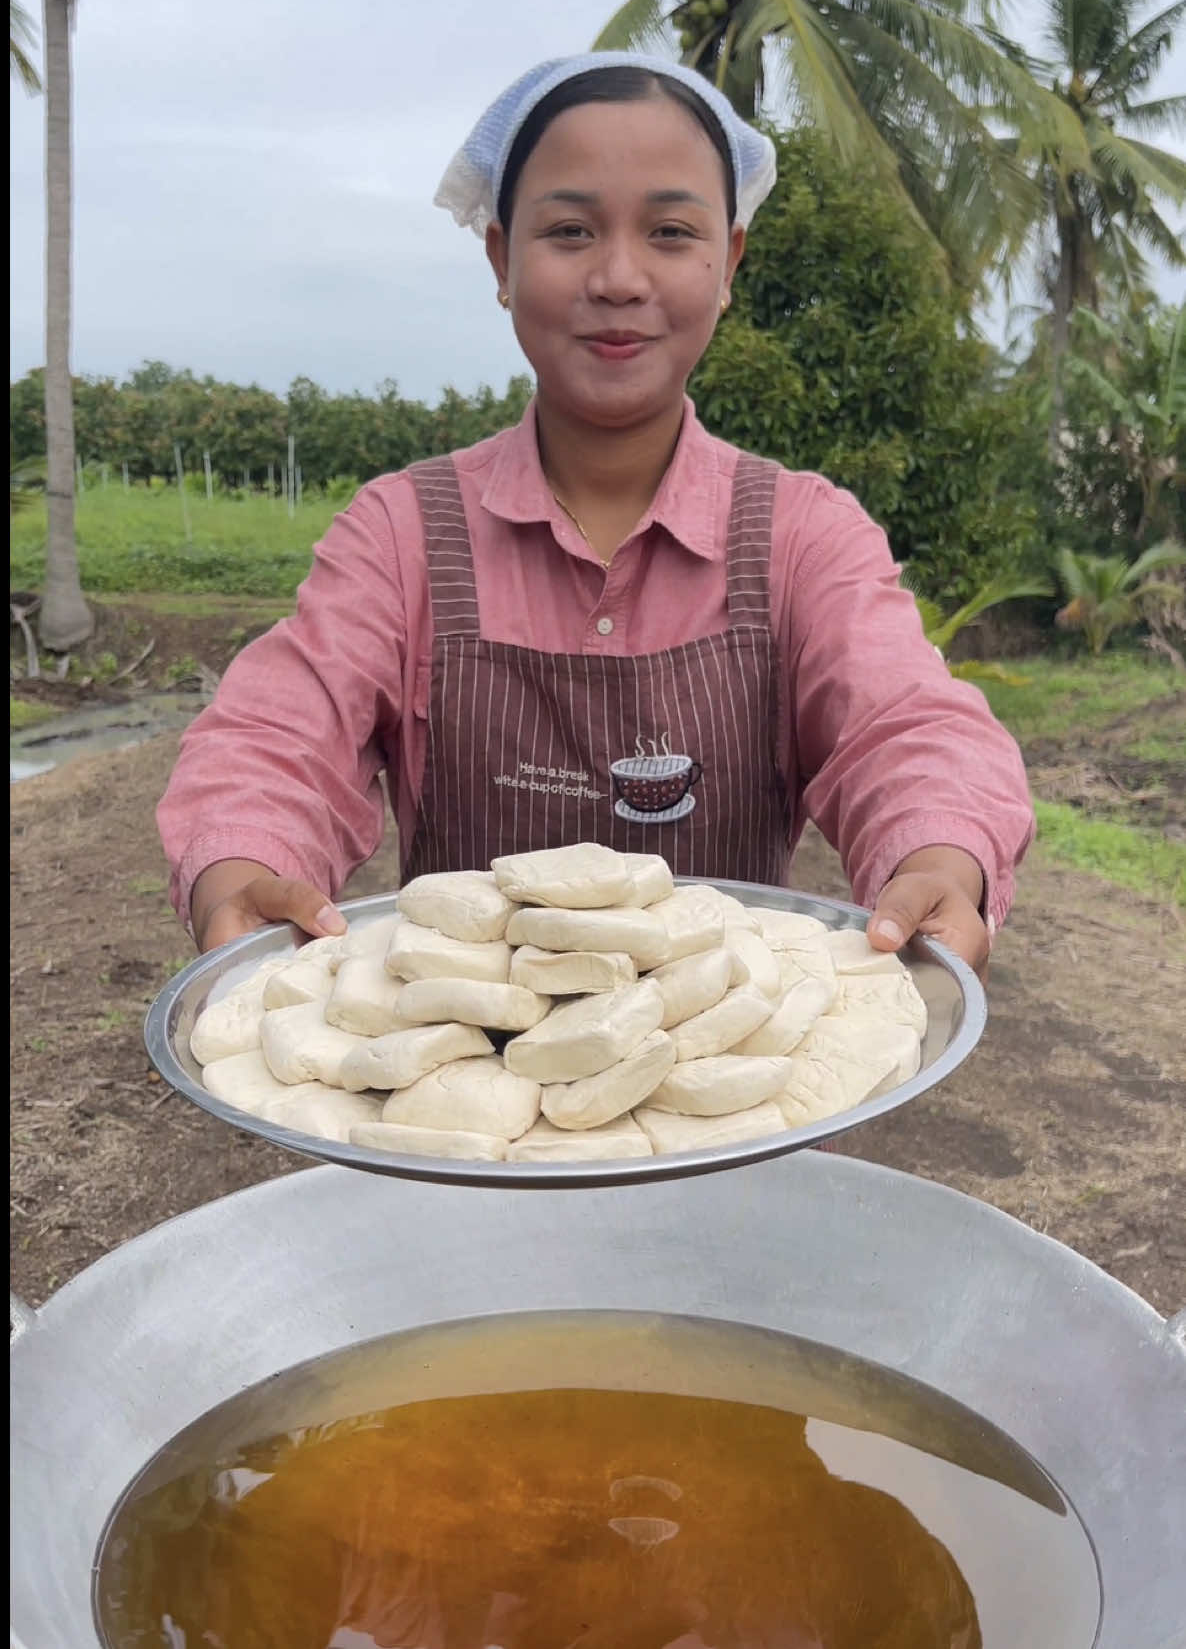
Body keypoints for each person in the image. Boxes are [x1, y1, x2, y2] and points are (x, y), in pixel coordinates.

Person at [157, 52, 1034, 977]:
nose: (619, 277)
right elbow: (275, 740)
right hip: (450, 1062)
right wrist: (241, 870)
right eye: (570, 231)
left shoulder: (803, 538)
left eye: (670, 232)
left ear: (729, 262)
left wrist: (939, 857)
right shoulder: (402, 535)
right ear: (501, 258)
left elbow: (906, 725)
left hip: (732, 1059)